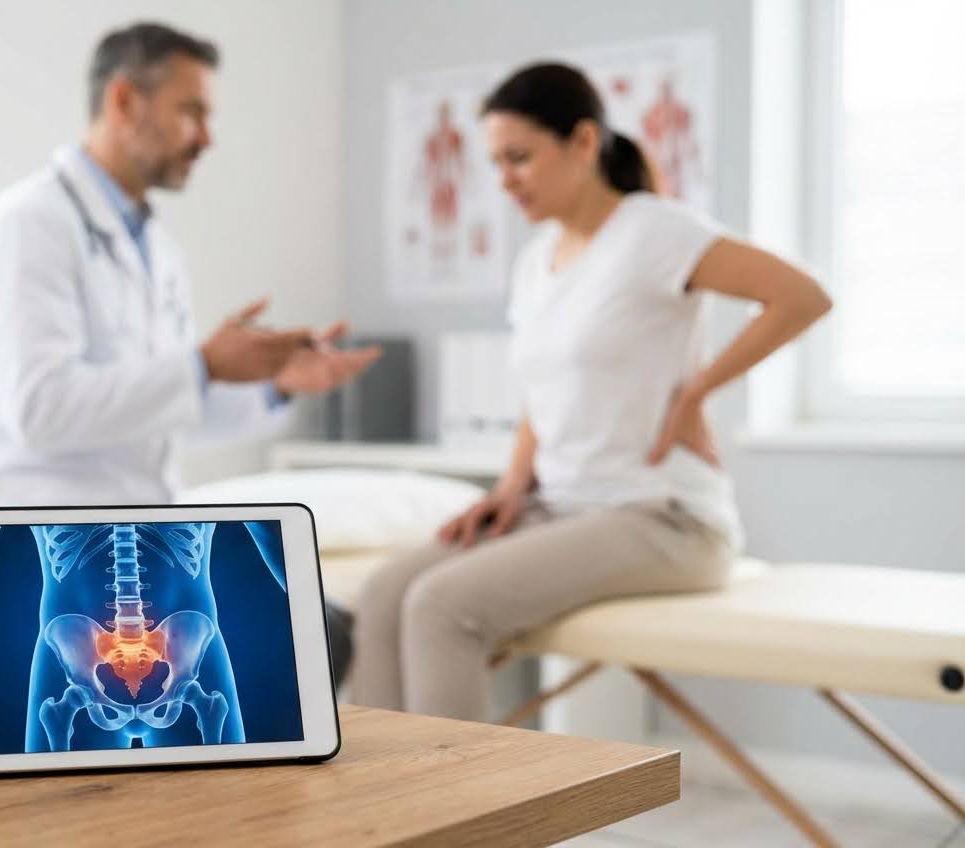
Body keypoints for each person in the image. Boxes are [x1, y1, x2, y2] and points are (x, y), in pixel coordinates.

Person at [352, 63, 832, 722]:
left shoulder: (652, 230)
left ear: (582, 142)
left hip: (665, 518)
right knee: (382, 595)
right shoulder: (536, 260)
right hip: (562, 505)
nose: (505, 180)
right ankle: (382, 810)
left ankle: (455, 820)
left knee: (442, 606)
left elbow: (802, 296)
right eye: (496, 163)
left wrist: (695, 393)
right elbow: (540, 394)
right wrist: (511, 487)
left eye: (520, 157)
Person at [0, 22, 376, 686]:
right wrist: (203, 365)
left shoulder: (158, 249)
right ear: (123, 101)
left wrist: (272, 383)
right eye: (191, 111)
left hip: (135, 537)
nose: (207, 136)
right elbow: (42, 410)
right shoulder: (29, 225)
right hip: (30, 542)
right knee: (302, 641)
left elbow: (163, 410)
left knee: (327, 627)